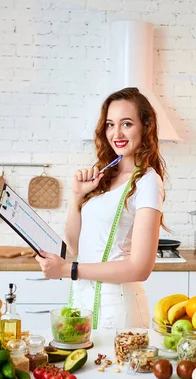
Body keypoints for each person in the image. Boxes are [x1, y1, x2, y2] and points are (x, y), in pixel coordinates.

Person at [35, 87, 167, 330]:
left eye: (126, 124)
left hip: (117, 311)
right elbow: (74, 245)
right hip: (82, 302)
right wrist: (77, 196)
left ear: (145, 126)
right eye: (110, 124)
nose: (116, 133)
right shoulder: (105, 176)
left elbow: (140, 267)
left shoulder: (148, 181)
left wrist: (68, 269)